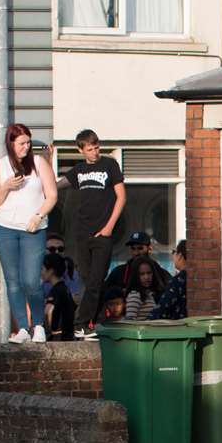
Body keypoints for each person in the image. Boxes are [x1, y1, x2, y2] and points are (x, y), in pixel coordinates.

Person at [0, 123, 57, 344]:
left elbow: (52, 195)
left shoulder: (39, 164)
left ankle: (38, 324)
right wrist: (6, 186)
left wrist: (38, 216)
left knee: (31, 280)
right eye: (21, 143)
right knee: (13, 281)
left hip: (33, 229)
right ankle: (23, 327)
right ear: (11, 144)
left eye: (28, 142)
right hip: (5, 228)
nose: (26, 147)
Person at [55, 129, 126, 337]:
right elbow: (55, 187)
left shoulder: (110, 165)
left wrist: (109, 227)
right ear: (81, 150)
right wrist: (46, 159)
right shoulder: (78, 170)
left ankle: (80, 323)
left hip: (102, 234)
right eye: (90, 149)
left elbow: (121, 197)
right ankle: (93, 323)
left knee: (96, 280)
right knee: (88, 280)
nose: (94, 152)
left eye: (96, 148)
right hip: (82, 234)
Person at [41, 251, 76, 341]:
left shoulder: (56, 290)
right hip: (68, 336)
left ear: (51, 271)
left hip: (58, 338)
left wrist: (48, 330)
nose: (41, 273)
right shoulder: (64, 288)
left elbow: (48, 311)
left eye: (42, 269)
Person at [149, 240, 187, 320]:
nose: (173, 255)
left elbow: (162, 308)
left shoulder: (178, 280)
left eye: (174, 252)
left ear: (180, 255)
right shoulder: (196, 279)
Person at [124, 257, 166, 321]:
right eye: (142, 274)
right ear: (136, 276)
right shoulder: (135, 295)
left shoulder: (149, 293)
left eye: (149, 273)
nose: (146, 277)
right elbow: (130, 323)